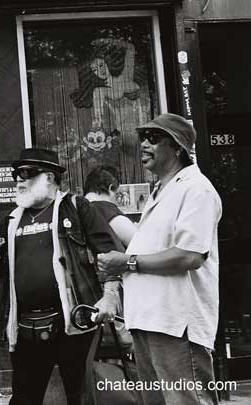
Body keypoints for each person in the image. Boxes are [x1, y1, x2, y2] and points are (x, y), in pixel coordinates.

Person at [0, 148, 122, 405]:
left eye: (27, 173)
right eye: (16, 174)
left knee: (82, 398)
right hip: (26, 328)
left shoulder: (76, 208)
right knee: (24, 399)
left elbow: (110, 254)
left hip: (74, 324)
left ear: (50, 178)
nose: (19, 179)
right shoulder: (11, 219)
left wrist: (110, 295)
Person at [97, 113, 222, 405]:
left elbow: (190, 256)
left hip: (176, 325)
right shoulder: (162, 190)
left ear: (177, 147)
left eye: (154, 139)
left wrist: (126, 262)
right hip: (149, 321)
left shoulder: (196, 189)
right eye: (143, 138)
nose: (144, 144)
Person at [84, 165, 137, 248]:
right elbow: (144, 247)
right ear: (110, 188)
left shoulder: (77, 208)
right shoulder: (108, 213)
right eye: (117, 194)